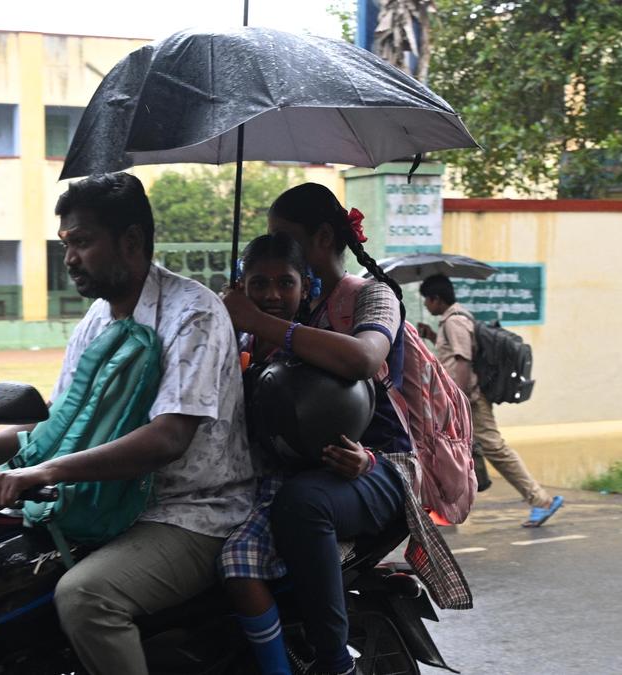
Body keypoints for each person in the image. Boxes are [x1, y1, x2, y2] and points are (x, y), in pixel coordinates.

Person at [0, 172, 253, 675]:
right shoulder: (98, 320)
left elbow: (169, 437)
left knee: (86, 597)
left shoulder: (192, 312)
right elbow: (59, 424)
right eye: (65, 244)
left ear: (130, 241)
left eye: (83, 242)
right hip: (100, 503)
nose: (70, 258)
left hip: (188, 512)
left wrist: (45, 472)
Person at [222, 183, 471, 675]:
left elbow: (363, 358)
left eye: (285, 237)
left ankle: (335, 664)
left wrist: (262, 322)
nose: (274, 286)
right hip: (302, 461)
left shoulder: (371, 296)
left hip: (378, 464)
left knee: (303, 505)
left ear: (321, 238)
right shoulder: (289, 300)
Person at [218, 233, 311, 675]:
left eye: (284, 283)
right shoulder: (234, 338)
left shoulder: (310, 342)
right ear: (241, 286)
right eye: (259, 283)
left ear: (305, 287)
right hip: (230, 469)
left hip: (282, 477)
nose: (272, 295)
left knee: (236, 562)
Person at [417, 274, 563, 527]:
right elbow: (455, 354)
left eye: (427, 300)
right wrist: (432, 335)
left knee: (495, 448)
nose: (426, 306)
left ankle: (541, 501)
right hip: (464, 398)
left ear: (437, 299)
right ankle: (443, 510)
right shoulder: (454, 320)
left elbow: (463, 360)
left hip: (470, 400)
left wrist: (458, 399)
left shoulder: (454, 321)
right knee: (445, 449)